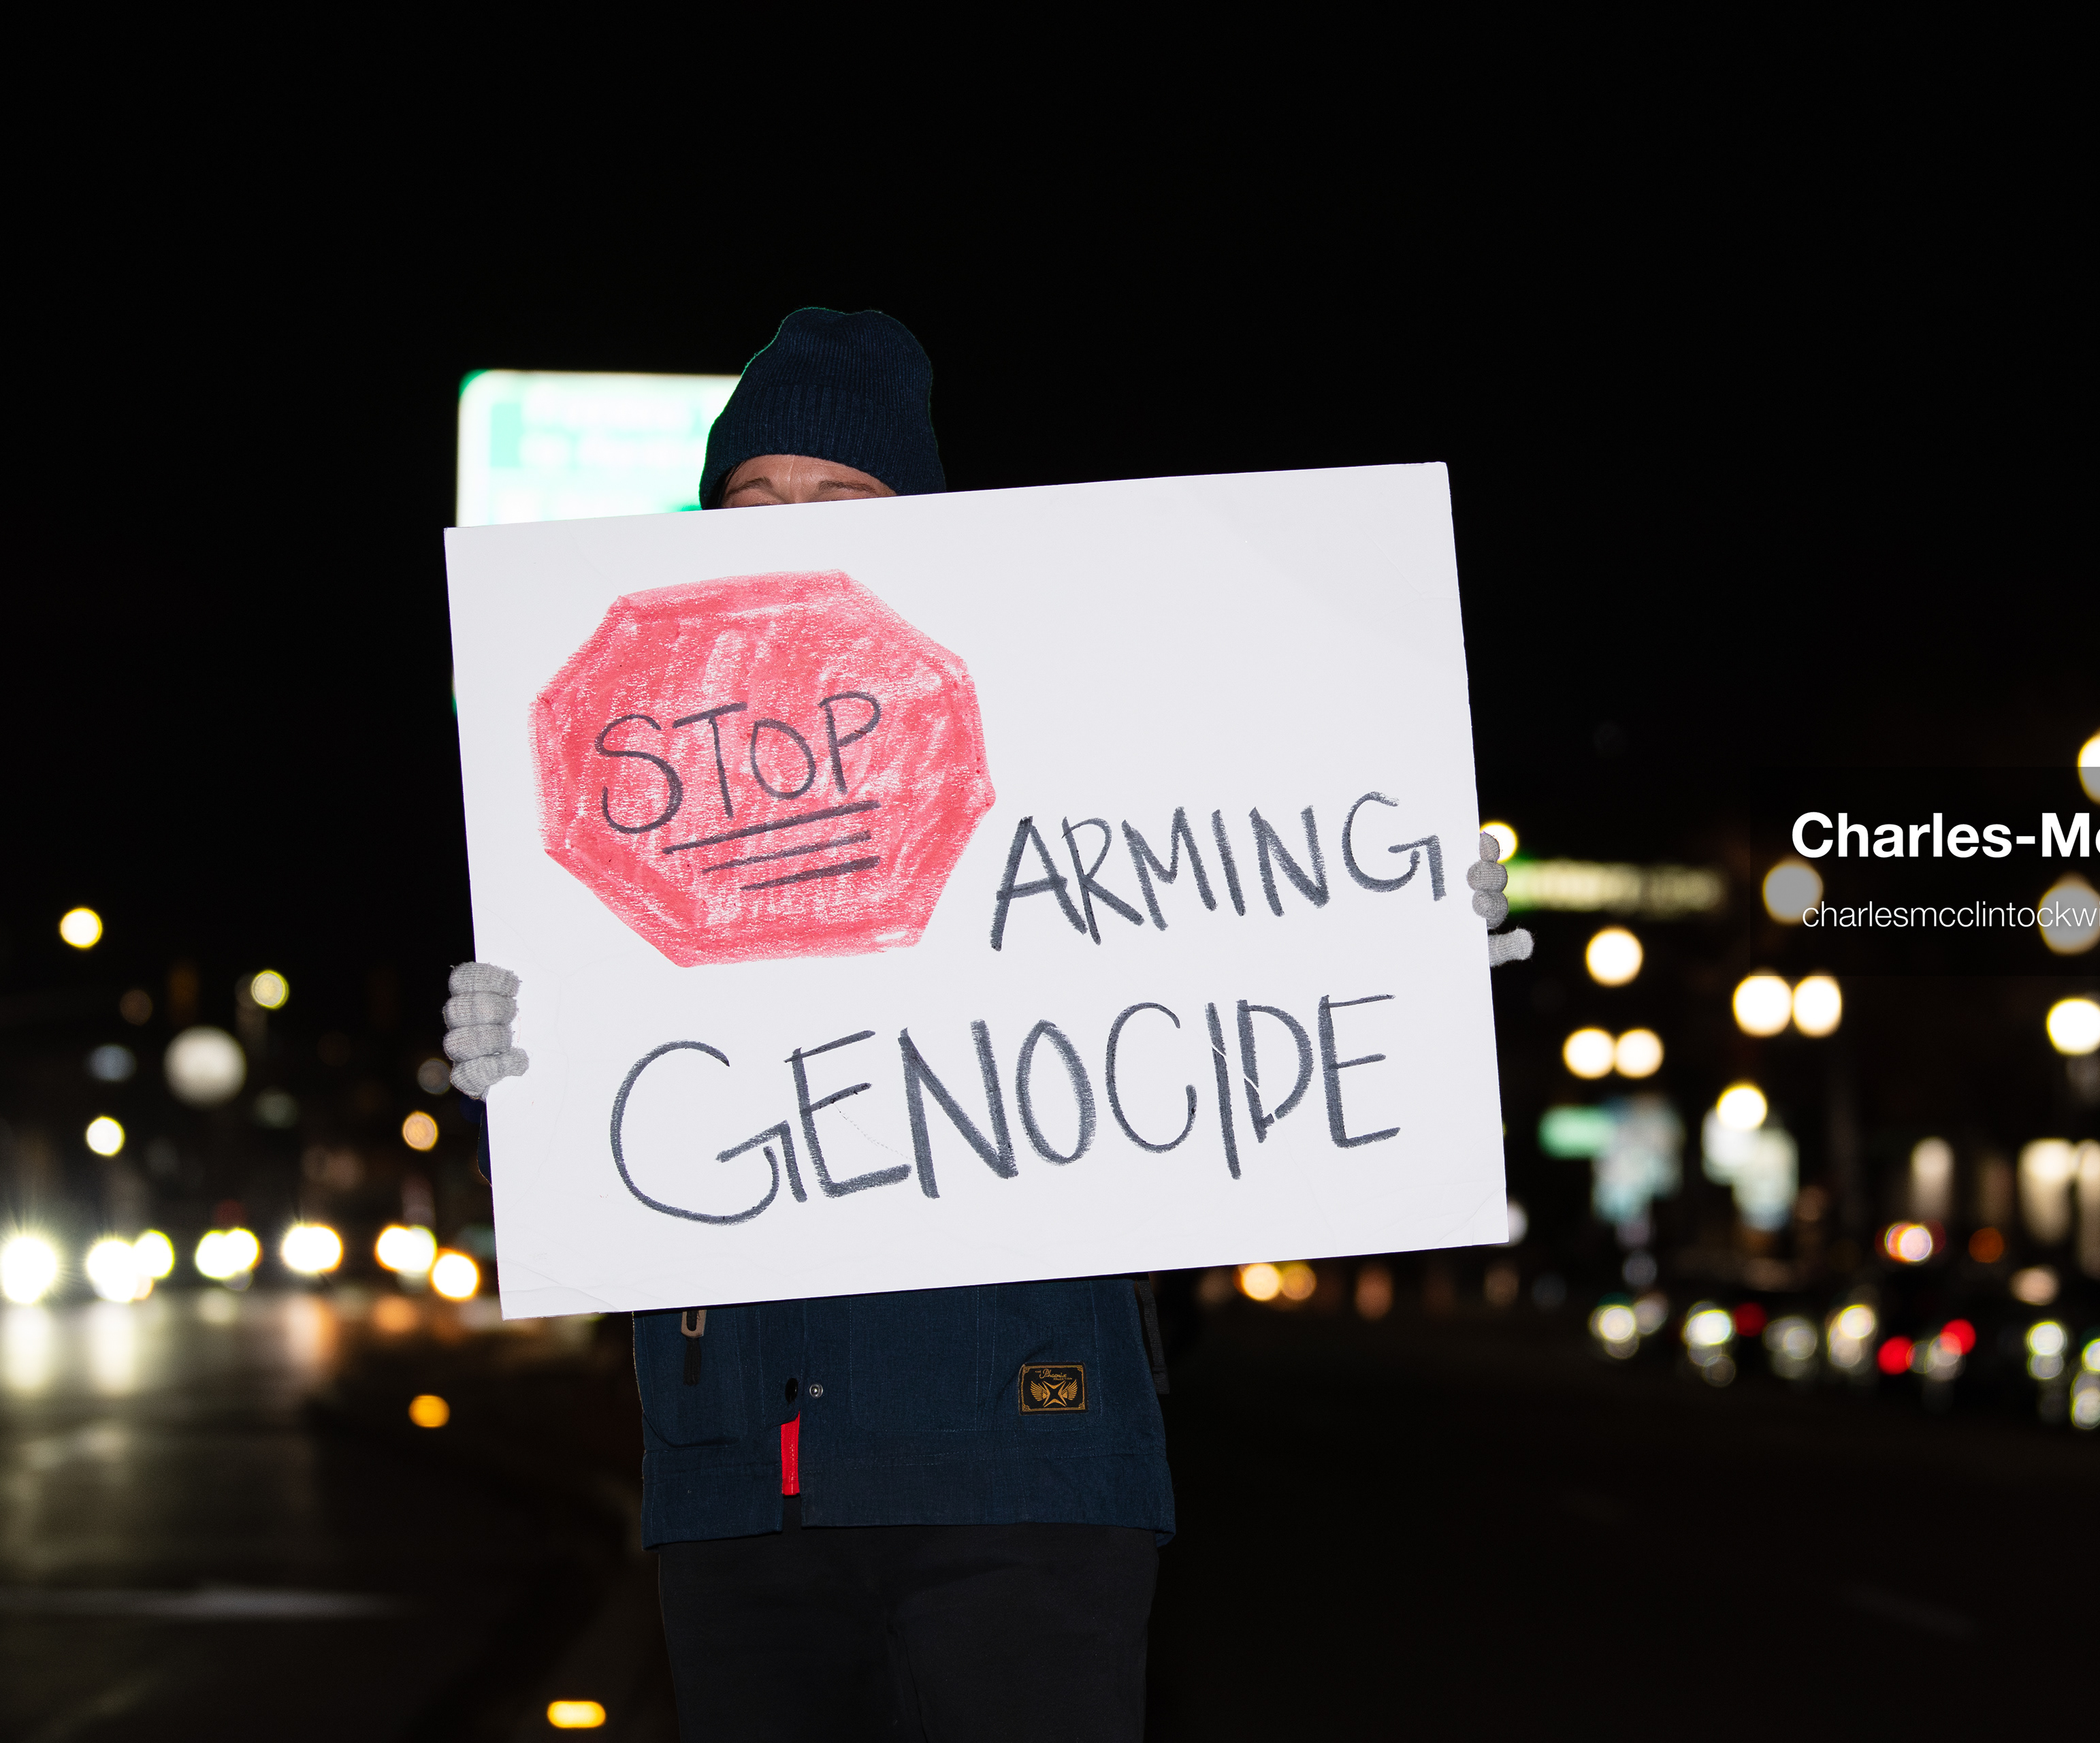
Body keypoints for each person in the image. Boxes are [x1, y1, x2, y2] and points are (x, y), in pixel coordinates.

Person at [442, 307, 1532, 1740]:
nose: (788, 524)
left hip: (1023, 1470)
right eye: (752, 494)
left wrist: (1401, 926)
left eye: (844, 496)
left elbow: (1234, 976)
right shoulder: (620, 780)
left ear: (933, 532)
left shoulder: (1081, 745)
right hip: (736, 1497)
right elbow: (577, 1177)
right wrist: (502, 1076)